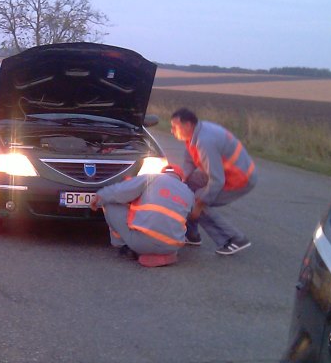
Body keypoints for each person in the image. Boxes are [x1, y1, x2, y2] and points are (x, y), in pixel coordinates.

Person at [169, 107, 257, 256]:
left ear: (188, 125)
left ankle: (234, 239)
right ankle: (191, 234)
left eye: (174, 127)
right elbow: (189, 161)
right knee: (186, 189)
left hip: (239, 179)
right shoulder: (193, 134)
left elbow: (217, 181)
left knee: (196, 200)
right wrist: (181, 180)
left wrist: (199, 205)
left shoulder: (205, 141)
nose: (172, 131)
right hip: (221, 173)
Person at [89, 170, 194, 267]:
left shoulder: (154, 178)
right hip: (172, 246)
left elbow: (121, 192)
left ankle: (124, 246)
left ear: (164, 172)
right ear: (180, 179)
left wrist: (100, 197)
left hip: (142, 243)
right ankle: (166, 253)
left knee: (109, 203)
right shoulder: (189, 193)